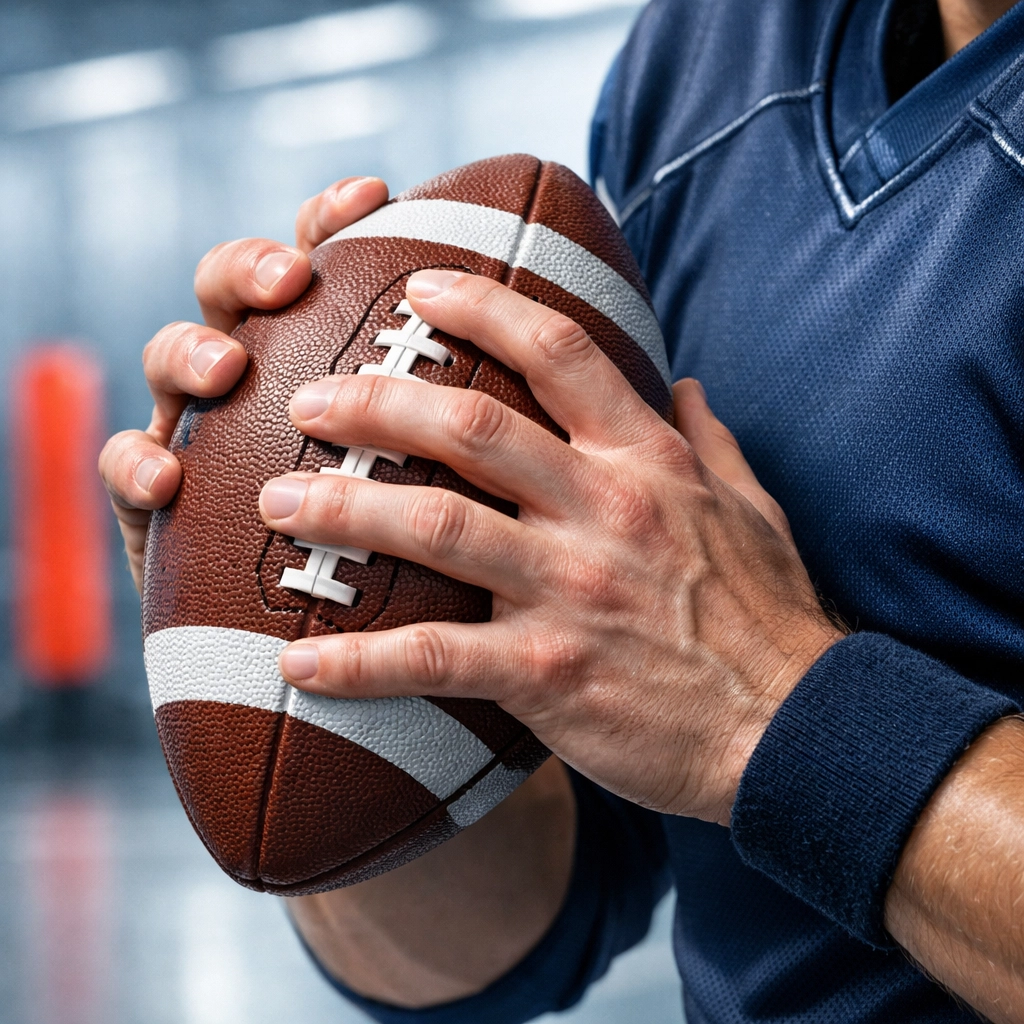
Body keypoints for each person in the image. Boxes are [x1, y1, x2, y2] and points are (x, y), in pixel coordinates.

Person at [99, 0, 1024, 1020]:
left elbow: (737, 727)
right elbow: (541, 912)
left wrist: (768, 712)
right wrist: (306, 673)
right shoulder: (710, 48)